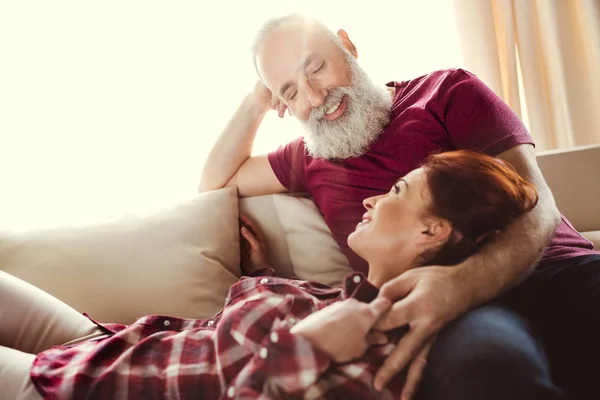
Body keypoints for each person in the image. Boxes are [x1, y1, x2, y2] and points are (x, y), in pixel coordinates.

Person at [199, 14, 600, 400]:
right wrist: (257, 101)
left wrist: (461, 284)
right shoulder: (307, 157)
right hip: (450, 320)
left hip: (554, 270)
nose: (316, 96)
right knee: (487, 371)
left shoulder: (445, 92)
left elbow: (537, 203)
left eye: (316, 67)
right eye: (291, 92)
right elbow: (215, 182)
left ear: (348, 45)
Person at [2, 151, 549, 399]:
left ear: (432, 232)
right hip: (103, 344)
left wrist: (309, 346)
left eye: (399, 191)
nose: (376, 199)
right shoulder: (346, 294)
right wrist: (260, 273)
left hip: (74, 387)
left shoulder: (383, 355)